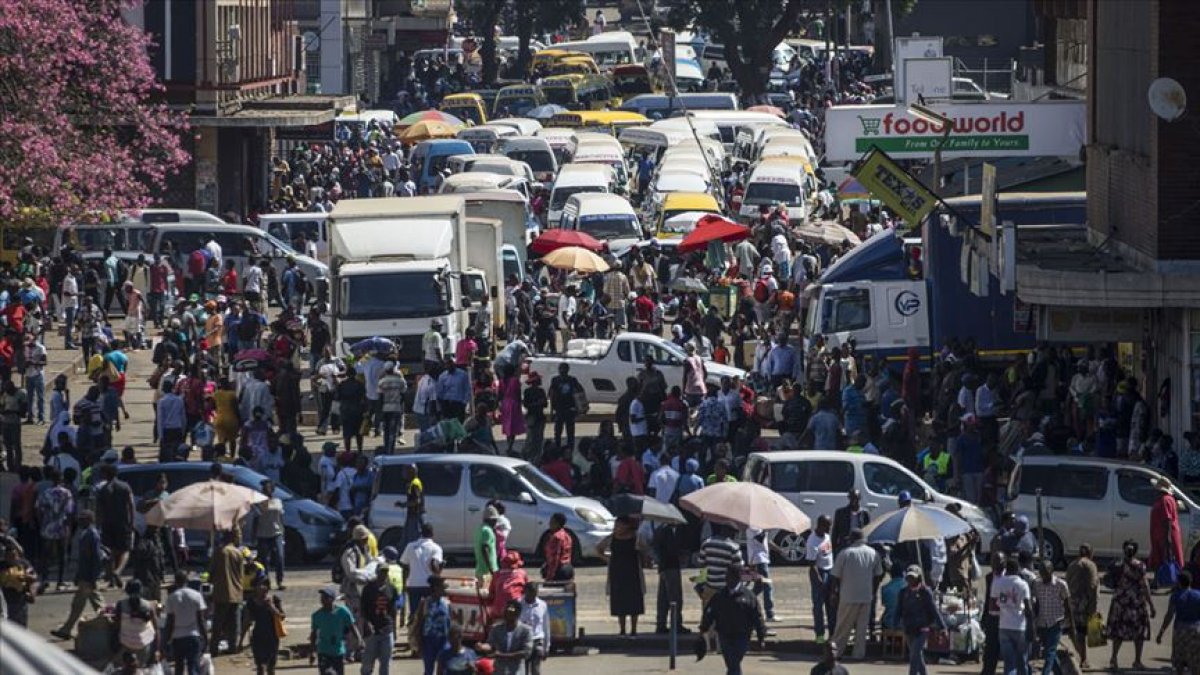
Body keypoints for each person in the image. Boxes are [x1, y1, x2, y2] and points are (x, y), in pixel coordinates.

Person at [700, 562, 766, 675]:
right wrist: (703, 628)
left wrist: (761, 636)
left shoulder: (748, 596)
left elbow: (757, 616)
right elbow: (710, 613)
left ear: (737, 578)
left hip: (742, 636)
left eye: (730, 576)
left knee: (734, 663)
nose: (727, 579)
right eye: (726, 576)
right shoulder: (720, 596)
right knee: (732, 663)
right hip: (724, 634)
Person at [829, 528, 882, 660]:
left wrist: (834, 593)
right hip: (866, 596)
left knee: (842, 627)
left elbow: (835, 576)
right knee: (861, 629)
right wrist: (873, 591)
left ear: (852, 539)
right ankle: (858, 655)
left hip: (848, 596)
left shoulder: (845, 553)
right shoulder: (873, 553)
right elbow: (878, 575)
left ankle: (837, 653)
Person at [1109, 539, 1155, 670]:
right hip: (1136, 603)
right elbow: (1145, 586)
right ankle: (1137, 661)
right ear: (1135, 551)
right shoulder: (1140, 566)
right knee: (1139, 633)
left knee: (1118, 632)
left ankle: (1114, 659)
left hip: (1119, 602)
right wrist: (1151, 605)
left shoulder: (1116, 564)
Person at [897, 565, 945, 675]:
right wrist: (896, 623)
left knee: (914, 654)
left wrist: (942, 627)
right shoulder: (903, 593)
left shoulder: (925, 592)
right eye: (909, 578)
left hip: (922, 628)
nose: (910, 580)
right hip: (908, 628)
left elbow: (934, 610)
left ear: (918, 578)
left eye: (913, 578)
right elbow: (898, 609)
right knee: (917, 655)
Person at [991, 557, 1034, 675]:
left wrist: (1003, 609)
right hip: (1020, 626)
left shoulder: (998, 582)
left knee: (1009, 664)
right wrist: (1032, 627)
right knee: (1022, 662)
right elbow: (1028, 608)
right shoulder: (1023, 584)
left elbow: (992, 607)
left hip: (1004, 626)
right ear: (1018, 569)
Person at [94, 462, 134, 586]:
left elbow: (98, 510)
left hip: (107, 523)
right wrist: (131, 521)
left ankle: (111, 577)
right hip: (123, 522)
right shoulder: (124, 486)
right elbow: (131, 505)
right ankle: (118, 571)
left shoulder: (103, 489)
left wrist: (97, 525)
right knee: (125, 550)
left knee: (110, 551)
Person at [1032, 559, 1074, 675]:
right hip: (1042, 622)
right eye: (1041, 573)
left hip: (1056, 622)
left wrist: (1071, 625)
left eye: (1046, 572)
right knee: (1048, 652)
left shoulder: (1061, 584)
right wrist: (1034, 622)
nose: (1043, 575)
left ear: (1052, 571)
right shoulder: (1037, 584)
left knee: (1050, 651)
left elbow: (1067, 605)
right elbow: (1036, 603)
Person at [164, 570, 208, 675]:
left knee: (178, 667)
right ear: (187, 580)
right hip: (193, 636)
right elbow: (200, 619)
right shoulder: (196, 595)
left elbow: (170, 621)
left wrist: (167, 639)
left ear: (176, 581)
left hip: (177, 637)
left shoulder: (171, 598)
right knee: (193, 666)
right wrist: (205, 636)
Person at [309, 585, 360, 675]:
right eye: (322, 597)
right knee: (328, 673)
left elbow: (352, 626)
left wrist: (359, 640)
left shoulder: (343, 612)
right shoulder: (317, 615)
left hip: (338, 651)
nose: (322, 600)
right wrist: (313, 651)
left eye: (325, 597)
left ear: (332, 599)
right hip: (323, 651)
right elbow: (313, 634)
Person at [210, 528, 245, 657]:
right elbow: (241, 575)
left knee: (218, 624)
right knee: (234, 624)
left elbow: (212, 573)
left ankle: (214, 648)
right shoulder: (238, 553)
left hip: (222, 593)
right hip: (236, 593)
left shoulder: (220, 551)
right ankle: (233, 647)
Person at [608, 515, 645, 636]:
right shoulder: (612, 537)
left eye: (618, 525)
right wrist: (608, 559)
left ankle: (634, 629)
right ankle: (622, 629)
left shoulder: (635, 537)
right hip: (617, 572)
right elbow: (599, 547)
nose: (616, 527)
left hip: (632, 571)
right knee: (620, 602)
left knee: (634, 602)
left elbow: (644, 550)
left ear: (626, 526)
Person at [1158, 570, 1200, 675]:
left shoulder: (1175, 596)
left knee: (1179, 663)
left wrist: (1161, 632)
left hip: (1180, 631)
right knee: (1196, 662)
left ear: (1179, 583)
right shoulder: (1198, 595)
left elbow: (1169, 615)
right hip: (1196, 630)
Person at [360, 563, 399, 675]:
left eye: (386, 571)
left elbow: (393, 610)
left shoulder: (392, 588)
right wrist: (366, 624)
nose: (384, 574)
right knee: (368, 663)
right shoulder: (368, 589)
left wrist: (394, 631)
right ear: (377, 572)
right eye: (382, 571)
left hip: (387, 629)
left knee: (385, 662)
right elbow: (363, 609)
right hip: (372, 631)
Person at [112, 579, 160, 668]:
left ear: (127, 591)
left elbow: (116, 626)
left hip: (125, 643)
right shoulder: (148, 605)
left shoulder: (121, 605)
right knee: (139, 670)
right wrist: (157, 650)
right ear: (141, 590)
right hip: (143, 645)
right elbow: (156, 629)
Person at [1066, 543, 1100, 669]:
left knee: (1076, 631)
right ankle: (1084, 659)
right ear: (1090, 553)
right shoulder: (1091, 565)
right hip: (1086, 602)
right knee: (1085, 632)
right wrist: (1094, 607)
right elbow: (1093, 586)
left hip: (1073, 602)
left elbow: (1067, 583)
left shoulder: (1072, 565)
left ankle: (1082, 656)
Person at [401, 522, 444, 620]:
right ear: (432, 534)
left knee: (414, 612)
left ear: (421, 533)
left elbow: (404, 565)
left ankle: (413, 632)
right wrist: (439, 572)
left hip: (413, 584)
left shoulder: (410, 546)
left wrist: (404, 584)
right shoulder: (436, 548)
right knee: (429, 612)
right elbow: (433, 564)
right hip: (429, 585)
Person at [242, 581, 285, 675]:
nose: (262, 587)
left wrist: (272, 607)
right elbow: (247, 621)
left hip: (272, 636)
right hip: (258, 636)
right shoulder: (251, 602)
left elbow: (282, 616)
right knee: (260, 666)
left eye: (265, 585)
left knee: (271, 667)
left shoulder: (274, 599)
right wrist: (241, 640)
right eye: (260, 585)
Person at [806, 515, 837, 642]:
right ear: (820, 525)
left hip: (830, 572)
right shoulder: (812, 541)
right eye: (827, 526)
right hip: (819, 572)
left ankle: (833, 635)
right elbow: (812, 566)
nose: (830, 528)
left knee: (832, 605)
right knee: (818, 607)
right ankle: (819, 636)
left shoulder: (827, 536)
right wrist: (819, 582)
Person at [416, 576, 453, 675]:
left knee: (444, 669)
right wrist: (419, 642)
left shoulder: (447, 602)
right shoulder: (425, 602)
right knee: (429, 670)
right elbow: (420, 622)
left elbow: (451, 622)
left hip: (444, 640)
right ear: (436, 588)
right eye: (442, 587)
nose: (444, 589)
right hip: (428, 640)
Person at [487, 599, 533, 675]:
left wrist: (501, 655)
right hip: (499, 671)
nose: (505, 613)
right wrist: (483, 646)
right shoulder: (496, 628)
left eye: (509, 611)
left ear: (517, 614)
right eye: (505, 610)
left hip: (517, 672)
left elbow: (526, 653)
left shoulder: (526, 631)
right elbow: (490, 644)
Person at [255, 480, 286, 589]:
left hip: (277, 532)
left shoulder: (278, 501)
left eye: (269, 488)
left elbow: (281, 518)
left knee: (280, 557)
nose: (267, 490)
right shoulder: (259, 502)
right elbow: (258, 516)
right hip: (263, 534)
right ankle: (266, 580)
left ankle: (280, 580)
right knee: (264, 559)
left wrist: (283, 533)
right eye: (265, 488)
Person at [1152, 477, 1185, 577]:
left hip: (1165, 535)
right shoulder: (1169, 499)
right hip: (1162, 534)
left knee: (1166, 558)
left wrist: (1167, 539)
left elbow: (1167, 520)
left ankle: (1173, 580)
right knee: (1161, 558)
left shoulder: (1165, 500)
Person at [549, 363, 583, 452]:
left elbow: (580, 393)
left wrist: (579, 409)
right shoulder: (555, 380)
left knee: (570, 433)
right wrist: (551, 412)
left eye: (564, 369)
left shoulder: (572, 380)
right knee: (558, 433)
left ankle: (569, 451)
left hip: (570, 409)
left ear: (568, 370)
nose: (562, 371)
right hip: (559, 409)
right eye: (561, 369)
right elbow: (552, 396)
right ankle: (557, 450)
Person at [521, 582, 550, 675]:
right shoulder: (518, 604)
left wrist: (547, 646)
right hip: (523, 641)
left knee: (536, 669)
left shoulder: (542, 605)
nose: (532, 597)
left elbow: (545, 626)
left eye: (535, 594)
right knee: (523, 670)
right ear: (525, 592)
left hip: (537, 640)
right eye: (530, 594)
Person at [540, 512, 574, 581]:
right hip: (568, 567)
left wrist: (549, 577)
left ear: (557, 524)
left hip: (559, 570)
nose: (549, 524)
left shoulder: (556, 537)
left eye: (552, 522)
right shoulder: (567, 535)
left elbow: (555, 559)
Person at [475, 506, 500, 585]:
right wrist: (491, 569)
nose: (496, 523)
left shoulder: (480, 528)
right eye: (495, 520)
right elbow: (484, 549)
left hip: (480, 569)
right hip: (487, 571)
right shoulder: (487, 531)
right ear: (491, 520)